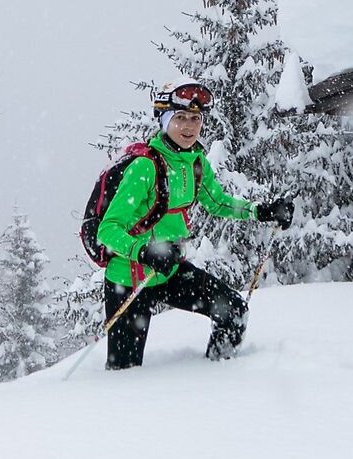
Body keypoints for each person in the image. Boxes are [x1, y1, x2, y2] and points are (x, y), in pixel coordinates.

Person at [94, 79, 294, 370]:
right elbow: (107, 231)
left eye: (195, 119)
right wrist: (144, 251)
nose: (189, 127)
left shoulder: (195, 162)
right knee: (124, 373)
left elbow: (218, 202)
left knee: (233, 312)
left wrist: (260, 211)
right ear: (163, 121)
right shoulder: (144, 167)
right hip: (130, 278)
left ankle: (216, 380)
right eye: (180, 118)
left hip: (170, 270)